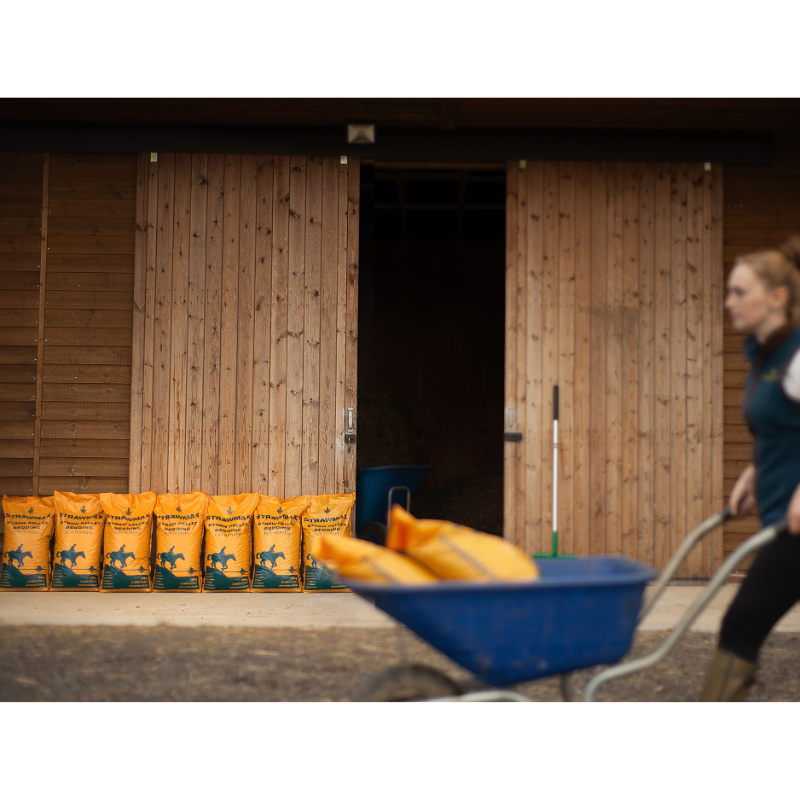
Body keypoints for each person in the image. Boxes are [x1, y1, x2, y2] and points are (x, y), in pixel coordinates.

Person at [699, 237, 800, 703]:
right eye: (729, 292)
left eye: (739, 292)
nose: (729, 302)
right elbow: (779, 428)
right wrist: (754, 470)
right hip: (784, 519)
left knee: (741, 624)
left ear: (776, 297)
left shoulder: (796, 356)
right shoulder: (763, 355)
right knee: (742, 624)